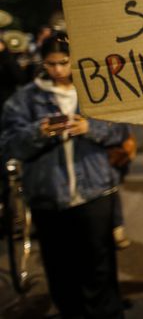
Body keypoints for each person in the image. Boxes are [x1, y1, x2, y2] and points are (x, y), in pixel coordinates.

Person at [0, 32, 128, 318]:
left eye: (64, 62)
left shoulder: (95, 88)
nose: (58, 69)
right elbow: (8, 144)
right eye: (51, 63)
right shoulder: (24, 100)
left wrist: (90, 128)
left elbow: (121, 130)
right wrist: (39, 132)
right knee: (60, 268)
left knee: (99, 264)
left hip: (95, 193)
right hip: (49, 197)